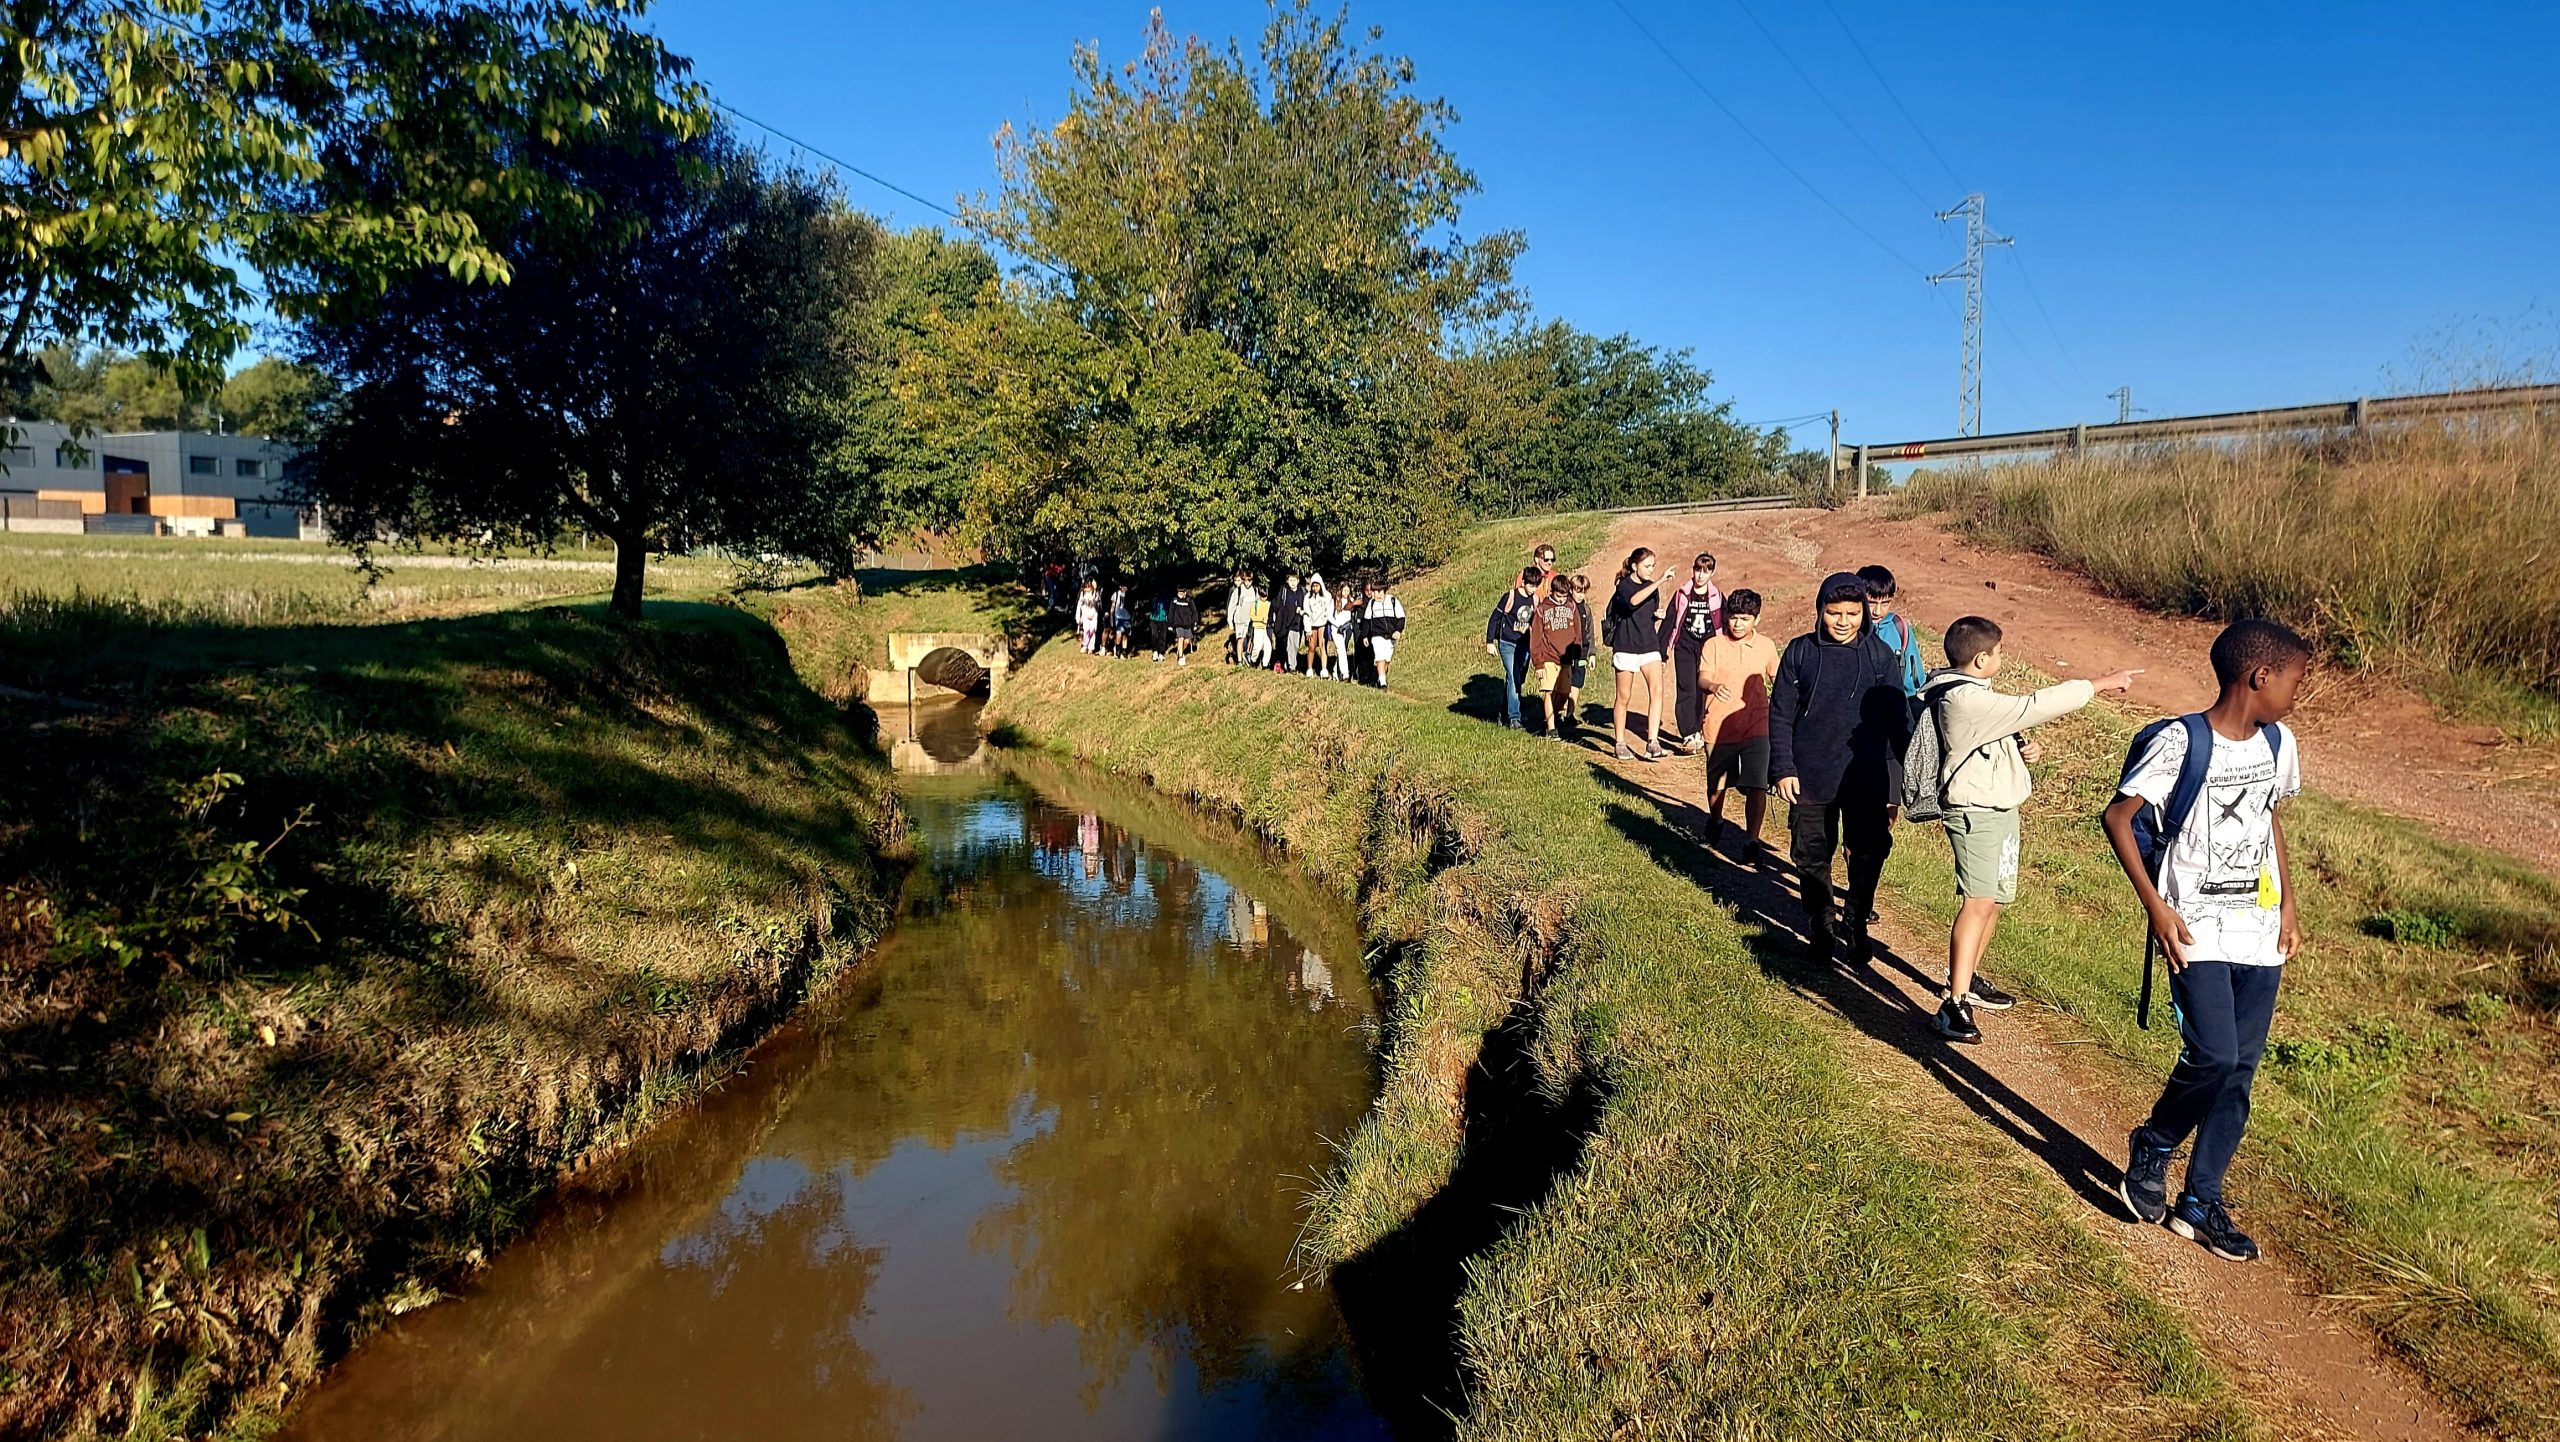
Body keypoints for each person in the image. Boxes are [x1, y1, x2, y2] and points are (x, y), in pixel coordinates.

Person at [2104, 620, 2308, 1264]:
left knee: (2241, 1071)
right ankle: (2156, 1142)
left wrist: (2289, 908)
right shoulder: (2178, 742)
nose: (2299, 694)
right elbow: (2118, 817)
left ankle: (2201, 1201)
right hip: (2193, 923)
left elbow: (2269, 817)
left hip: (2259, 928)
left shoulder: (2280, 743)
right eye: (2296, 681)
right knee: (2214, 1055)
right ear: (2260, 677)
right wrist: (2157, 909)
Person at [1920, 617, 2139, 1043]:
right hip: (1977, 812)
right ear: (1982, 659)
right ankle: (1954, 1004)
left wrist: (2020, 749)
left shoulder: (1975, 693)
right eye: (1999, 652)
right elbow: (2034, 705)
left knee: (1995, 900)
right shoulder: (1963, 699)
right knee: (1978, 901)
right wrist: (2101, 682)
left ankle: (1965, 981)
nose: (2002, 658)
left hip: (2001, 807)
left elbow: (1998, 733)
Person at [1769, 571, 1910, 965]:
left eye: (1852, 613)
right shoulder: (1800, 652)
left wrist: (1908, 774)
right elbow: (1779, 715)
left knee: (1870, 851)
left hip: (1866, 777)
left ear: (1863, 613)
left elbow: (1898, 718)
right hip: (1809, 775)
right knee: (1811, 853)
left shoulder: (1879, 656)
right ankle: (1822, 923)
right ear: (1820, 611)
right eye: (1834, 612)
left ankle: (1856, 920)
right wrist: (1782, 768)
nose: (1843, 621)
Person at [1697, 589, 1780, 854]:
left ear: (1756, 618)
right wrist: (1713, 685)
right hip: (1719, 725)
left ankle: (1751, 841)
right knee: (1717, 785)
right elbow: (1702, 677)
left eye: (1744, 618)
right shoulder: (1714, 644)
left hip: (1758, 724)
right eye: (1733, 617)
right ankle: (1716, 819)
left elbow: (1777, 677)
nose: (1737, 624)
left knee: (1757, 783)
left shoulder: (1766, 646)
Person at [1605, 548, 1671, 761]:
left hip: (1649, 645)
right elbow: (1632, 602)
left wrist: (1656, 616)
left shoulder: (1652, 588)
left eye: (1653, 566)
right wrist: (1660, 581)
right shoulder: (1624, 586)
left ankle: (1652, 741)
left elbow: (1646, 613)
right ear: (1634, 566)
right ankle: (1620, 742)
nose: (1651, 570)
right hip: (1626, 646)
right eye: (1647, 566)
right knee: (1624, 696)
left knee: (1657, 690)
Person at [1665, 552, 1724, 753]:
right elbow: (1670, 620)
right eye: (1697, 570)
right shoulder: (1682, 593)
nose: (1700, 575)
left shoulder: (1717, 596)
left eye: (1706, 571)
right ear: (1693, 570)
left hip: (1707, 647)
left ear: (1712, 573)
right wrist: (1662, 649)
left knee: (1702, 688)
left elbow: (1723, 622)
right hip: (1685, 645)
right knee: (1686, 687)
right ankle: (1688, 733)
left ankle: (1699, 729)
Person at [1526, 572, 1583, 738]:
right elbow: (1535, 637)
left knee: (1565, 692)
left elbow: (1577, 633)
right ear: (1552, 592)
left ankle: (1550, 716)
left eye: (1564, 596)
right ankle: (1551, 729)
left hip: (1566, 658)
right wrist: (1538, 663)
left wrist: (1576, 653)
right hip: (1548, 656)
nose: (1561, 600)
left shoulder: (1571, 606)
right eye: (1558, 596)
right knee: (1549, 691)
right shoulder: (1542, 609)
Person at [1860, 565, 1928, 706]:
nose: (1878, 611)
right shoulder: (1850, 629)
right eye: (1871, 603)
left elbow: (1914, 676)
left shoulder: (1900, 628)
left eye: (1885, 603)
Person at [1482, 565, 1540, 728]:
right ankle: (1515, 718)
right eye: (1531, 585)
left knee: (1517, 679)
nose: (1533, 589)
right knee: (1513, 677)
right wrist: (1489, 641)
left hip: (1523, 644)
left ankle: (1504, 713)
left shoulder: (1535, 600)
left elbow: (1536, 623)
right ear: (1523, 583)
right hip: (1507, 643)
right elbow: (1494, 618)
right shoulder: (1510, 596)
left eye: (1536, 586)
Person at [1364, 576, 1405, 689]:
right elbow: (1367, 621)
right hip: (1377, 635)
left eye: (1380, 591)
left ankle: (1380, 678)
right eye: (1375, 591)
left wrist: (1398, 630)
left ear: (1384, 591)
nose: (1377, 594)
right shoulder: (1371, 604)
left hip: (1391, 636)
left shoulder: (1393, 601)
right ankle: (1383, 683)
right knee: (1380, 656)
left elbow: (1401, 618)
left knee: (1387, 659)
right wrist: (1365, 636)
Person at [1567, 573, 1596, 726]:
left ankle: (1570, 713)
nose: (1580, 594)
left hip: (1582, 652)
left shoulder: (1586, 609)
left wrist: (1591, 654)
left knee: (1577, 682)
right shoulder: (1566, 606)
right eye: (1578, 590)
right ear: (1571, 589)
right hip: (1567, 650)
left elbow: (1590, 632)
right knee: (1564, 681)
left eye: (1583, 591)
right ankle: (1556, 711)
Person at [1301, 574, 1334, 677]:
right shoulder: (1307, 597)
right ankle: (1309, 668)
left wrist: (1328, 619)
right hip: (1312, 624)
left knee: (1323, 645)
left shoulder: (1327, 596)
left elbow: (1329, 610)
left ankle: (1324, 669)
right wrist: (1308, 629)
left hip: (1323, 624)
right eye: (1313, 586)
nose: (1315, 588)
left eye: (1317, 585)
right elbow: (1306, 613)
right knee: (1311, 646)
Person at [1226, 572, 1259, 664]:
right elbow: (1232, 606)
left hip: (1251, 620)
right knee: (1240, 640)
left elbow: (1257, 604)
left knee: (1250, 639)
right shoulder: (1238, 590)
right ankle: (1239, 661)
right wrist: (1230, 621)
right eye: (1245, 580)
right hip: (1240, 620)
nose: (1247, 582)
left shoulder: (1255, 590)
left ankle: (1247, 655)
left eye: (1250, 580)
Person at [1273, 573, 1303, 673]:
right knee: (1290, 644)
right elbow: (1279, 606)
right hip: (1287, 622)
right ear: (1287, 581)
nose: (1293, 582)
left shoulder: (1302, 591)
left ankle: (1289, 663)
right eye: (1291, 580)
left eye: (1294, 580)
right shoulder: (1284, 591)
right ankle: (1292, 666)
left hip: (1298, 622)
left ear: (1298, 581)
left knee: (1295, 644)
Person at [1329, 581, 1358, 680]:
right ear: (1340, 590)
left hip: (1347, 628)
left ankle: (1336, 672)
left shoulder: (1351, 601)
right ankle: (1345, 674)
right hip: (1337, 629)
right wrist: (1337, 625)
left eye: (1347, 590)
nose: (1346, 592)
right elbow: (1329, 616)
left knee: (1342, 651)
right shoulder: (1335, 601)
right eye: (1344, 590)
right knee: (1341, 649)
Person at [1168, 587, 1200, 666]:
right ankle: (1181, 657)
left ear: (1185, 592)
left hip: (1187, 624)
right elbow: (1171, 612)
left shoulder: (1189, 600)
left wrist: (1195, 623)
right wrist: (1170, 624)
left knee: (1187, 641)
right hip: (1178, 624)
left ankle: (1180, 650)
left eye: (1182, 592)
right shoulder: (1174, 600)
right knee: (1181, 638)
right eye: (1179, 592)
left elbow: (1194, 612)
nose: (1180, 594)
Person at [1249, 584, 1274, 668]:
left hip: (1266, 629)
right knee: (1257, 647)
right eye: (1262, 596)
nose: (1264, 598)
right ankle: (1253, 660)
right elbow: (1252, 616)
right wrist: (1261, 619)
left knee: (1268, 647)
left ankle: (1265, 664)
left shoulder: (1269, 604)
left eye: (1266, 596)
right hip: (1258, 628)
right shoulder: (1255, 604)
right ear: (1259, 595)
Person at [1074, 580, 1101, 654]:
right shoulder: (1082, 594)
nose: (1087, 589)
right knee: (1086, 630)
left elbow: (1096, 601)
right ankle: (1085, 645)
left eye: (1089, 587)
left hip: (1094, 614)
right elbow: (1079, 605)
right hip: (1085, 614)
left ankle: (1091, 647)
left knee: (1093, 631)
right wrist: (1078, 616)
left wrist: (1095, 591)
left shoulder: (1095, 593)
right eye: (1086, 587)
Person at [1108, 583, 1131, 657]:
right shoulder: (1116, 594)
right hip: (1118, 617)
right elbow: (1112, 606)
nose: (1125, 588)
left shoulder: (1129, 595)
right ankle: (1118, 650)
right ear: (1120, 586)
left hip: (1127, 617)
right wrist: (1111, 617)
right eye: (1123, 586)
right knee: (1119, 634)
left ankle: (1124, 652)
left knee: (1125, 635)